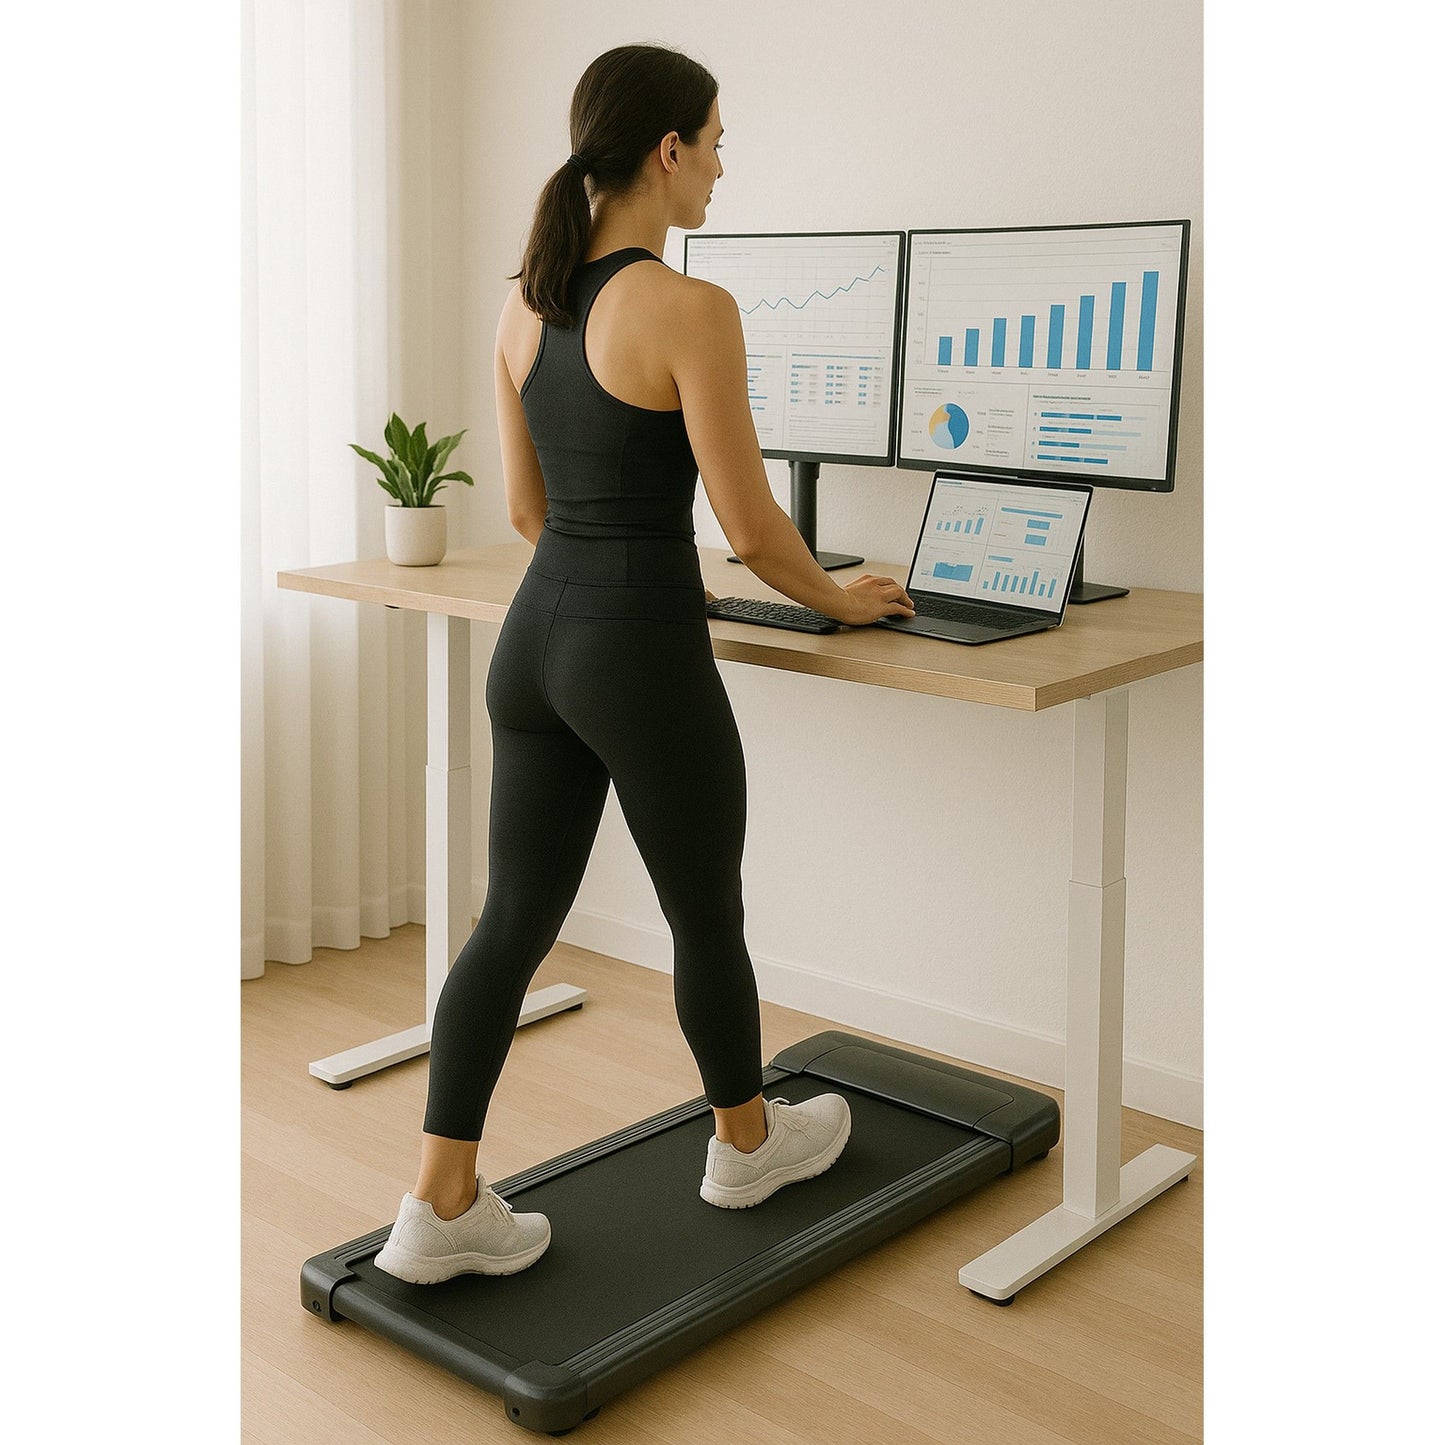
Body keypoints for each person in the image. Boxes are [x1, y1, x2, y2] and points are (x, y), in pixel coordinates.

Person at [376, 43, 915, 1286]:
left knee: (508, 922)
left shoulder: (523, 301)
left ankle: (438, 1204)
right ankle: (743, 1143)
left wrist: (598, 562)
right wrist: (837, 598)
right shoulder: (690, 308)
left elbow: (524, 511)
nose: (722, 167)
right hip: (635, 650)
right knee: (701, 911)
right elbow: (749, 527)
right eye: (715, 142)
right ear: (665, 152)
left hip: (535, 640)